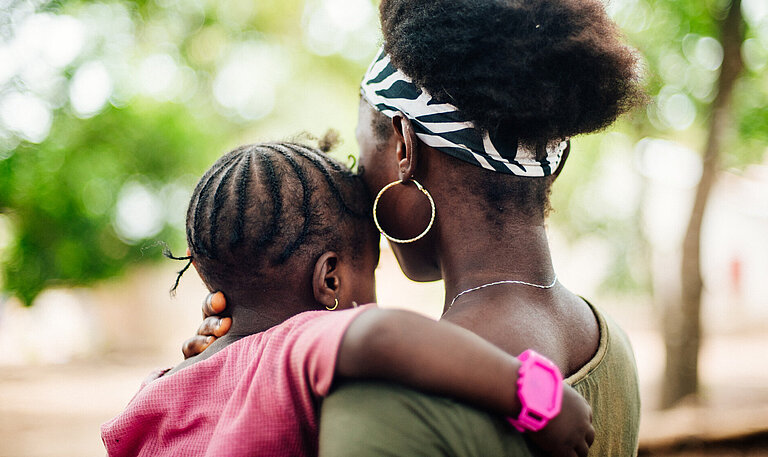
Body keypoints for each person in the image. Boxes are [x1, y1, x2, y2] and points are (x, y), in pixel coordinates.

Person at [187, 0, 645, 455]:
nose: (361, 188)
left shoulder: (383, 400)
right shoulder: (613, 346)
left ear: (405, 147)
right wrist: (247, 366)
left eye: (363, 157)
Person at [101, 142, 594, 457]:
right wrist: (534, 395)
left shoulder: (157, 389)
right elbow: (381, 335)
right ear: (330, 281)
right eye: (370, 270)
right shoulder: (294, 345)